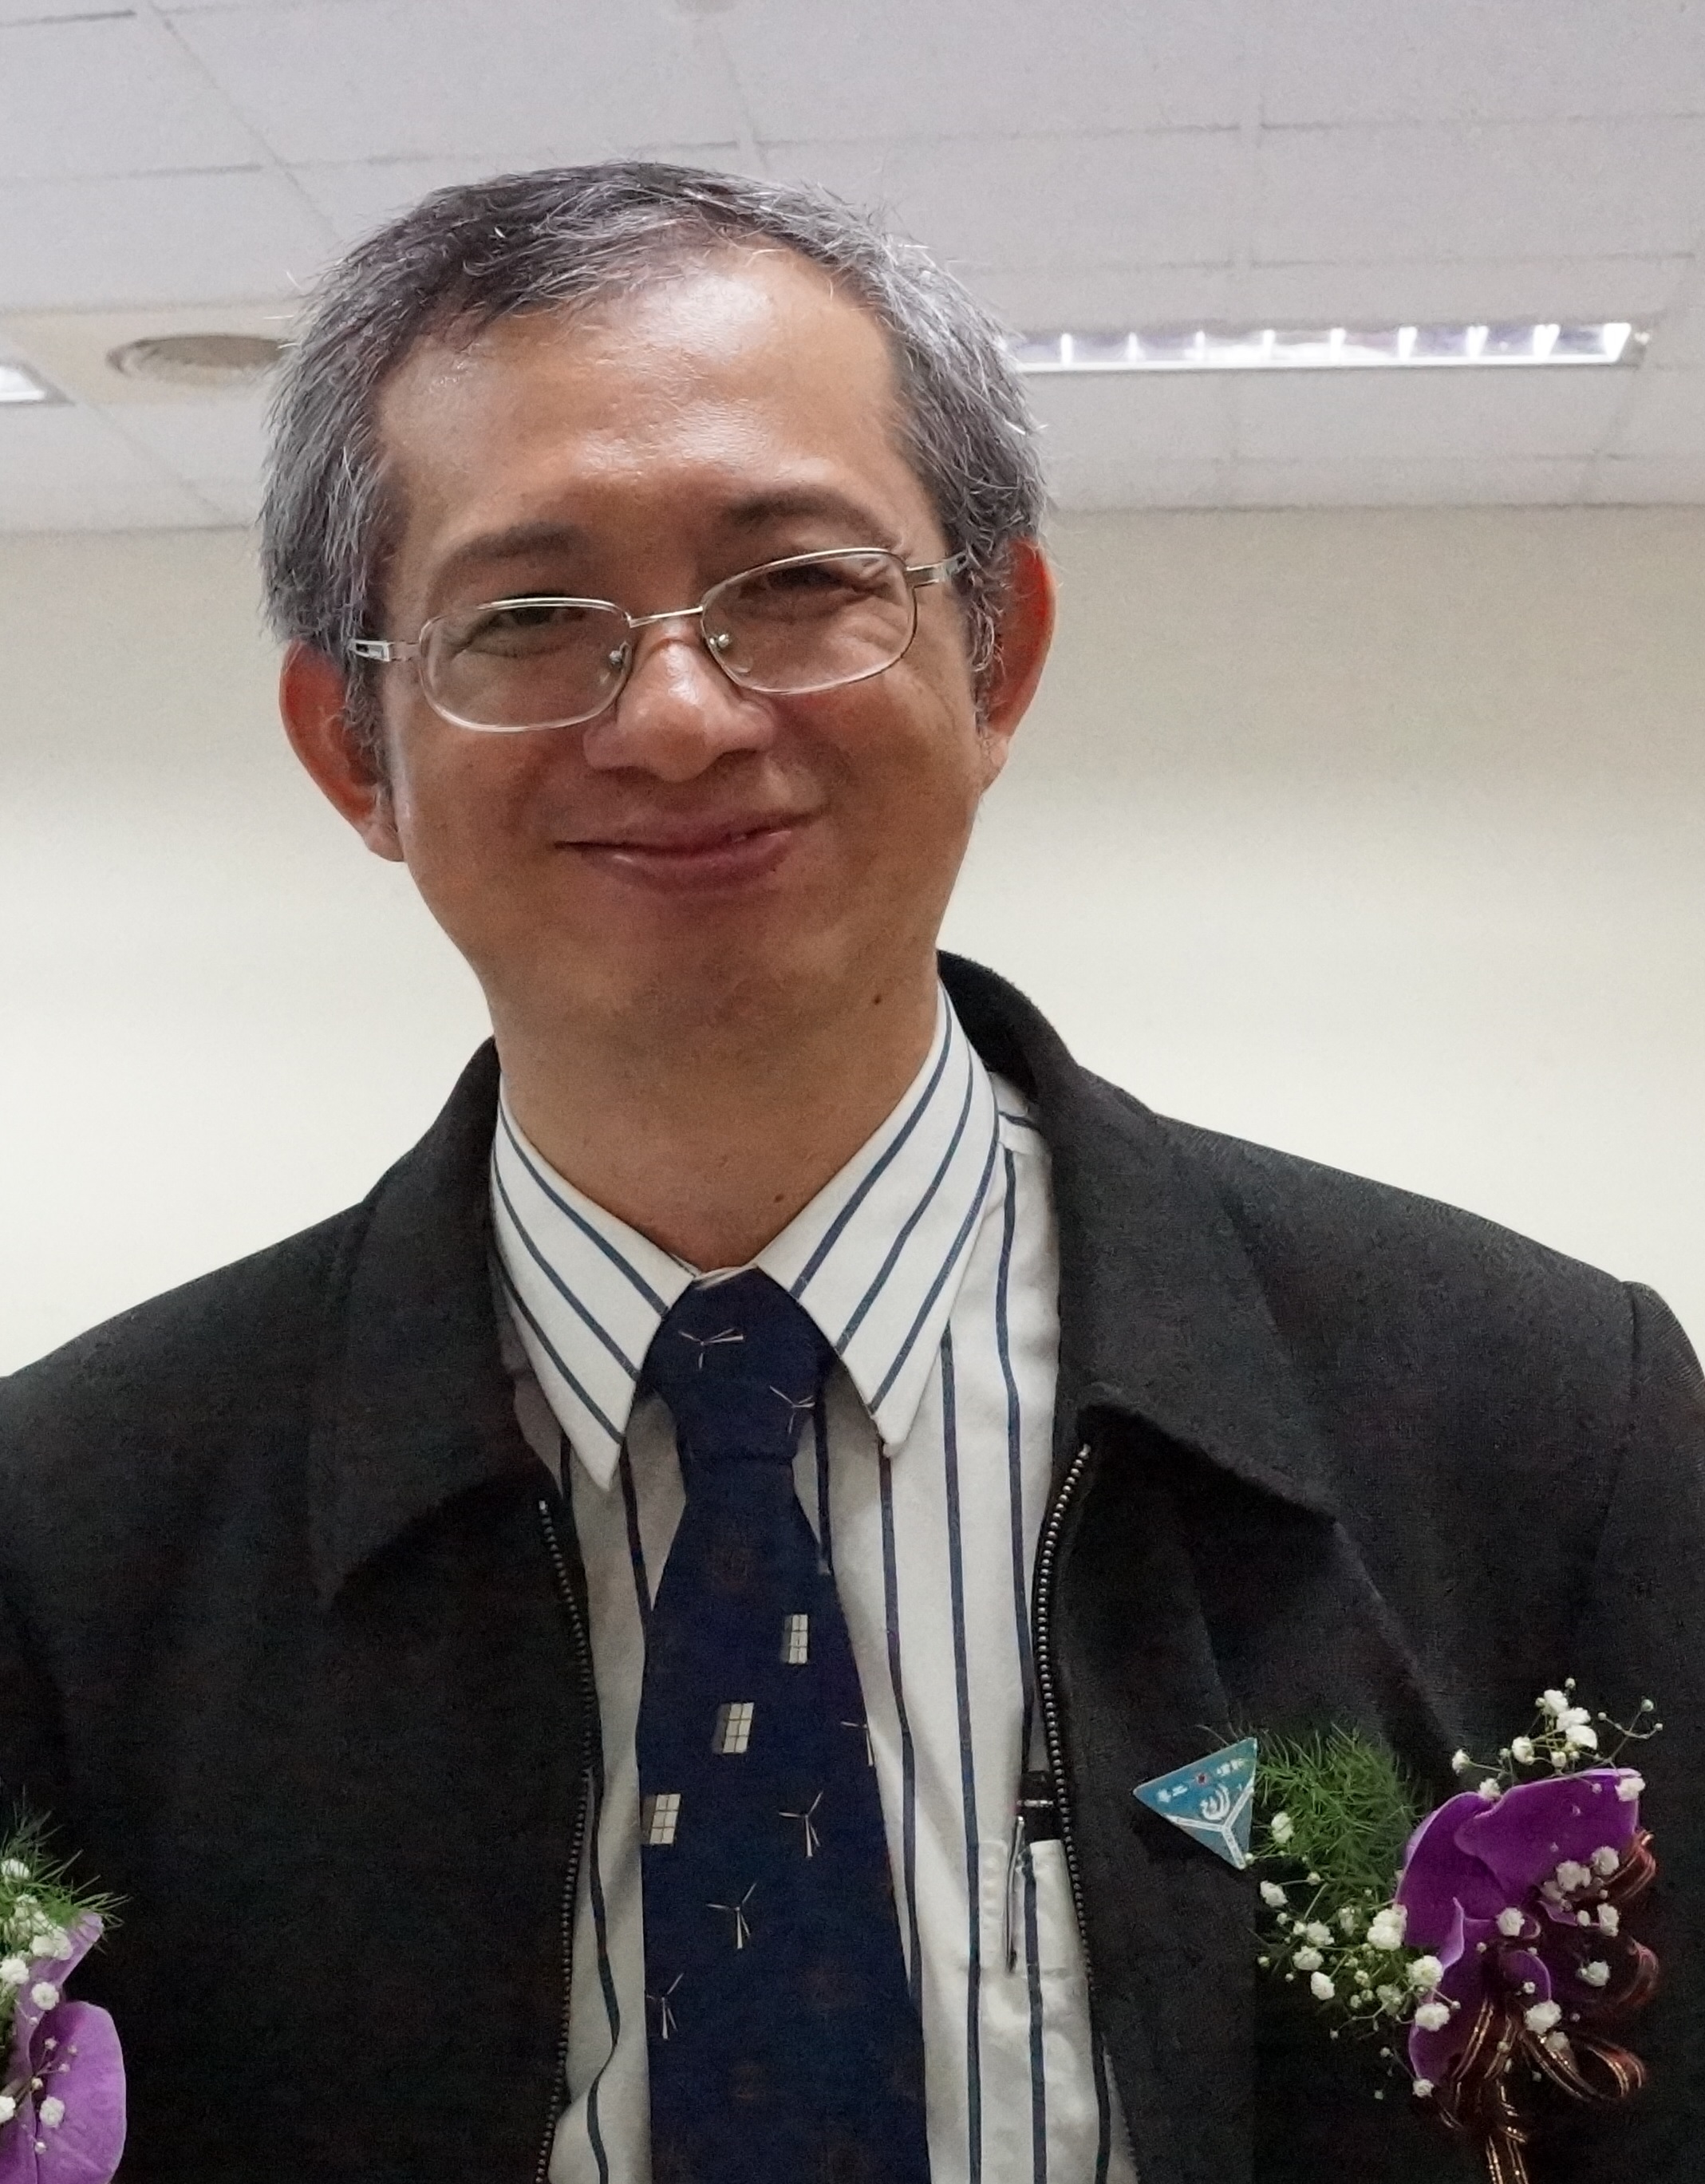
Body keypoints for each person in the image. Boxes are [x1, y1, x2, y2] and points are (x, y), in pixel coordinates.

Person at [0, 161, 1699, 2184]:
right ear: (351, 745)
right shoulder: (71, 1533)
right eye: (527, 617)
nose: (679, 715)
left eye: (797, 584)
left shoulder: (1540, 1425)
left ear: (997, 653)